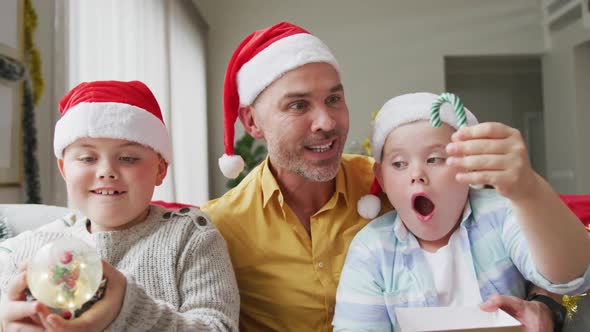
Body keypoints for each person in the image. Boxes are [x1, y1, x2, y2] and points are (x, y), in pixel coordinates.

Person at [201, 21, 564, 331]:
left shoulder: (397, 182)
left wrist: (546, 309)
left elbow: (522, 246)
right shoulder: (219, 229)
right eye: (298, 105)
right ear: (251, 122)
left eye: (333, 99)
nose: (326, 122)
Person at [333, 92, 590, 331]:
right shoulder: (371, 250)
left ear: (467, 165)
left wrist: (529, 190)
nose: (417, 175)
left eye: (434, 159)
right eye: (399, 163)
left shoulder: (501, 214)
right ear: (382, 178)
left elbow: (570, 277)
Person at [0, 80, 240, 331]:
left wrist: (125, 308)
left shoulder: (192, 238)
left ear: (160, 169)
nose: (106, 171)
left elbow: (219, 327)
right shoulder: (26, 249)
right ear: (64, 169)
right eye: (87, 158)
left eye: (128, 158)